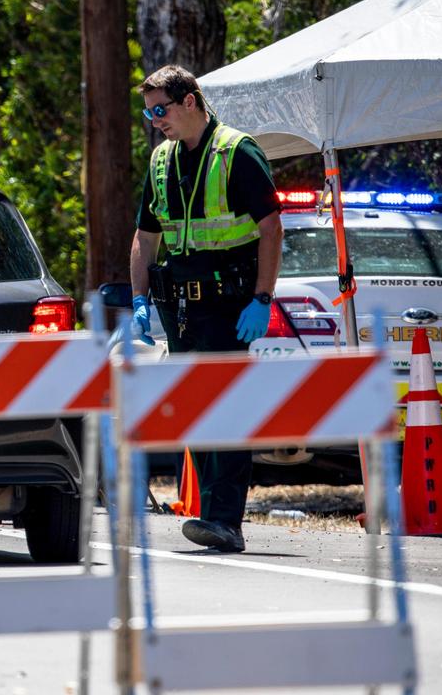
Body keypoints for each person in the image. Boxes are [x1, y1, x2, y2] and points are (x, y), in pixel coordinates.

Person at [128, 65, 283, 552]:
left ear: (190, 100)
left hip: (229, 305)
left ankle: (224, 520)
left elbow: (271, 228)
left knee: (228, 410)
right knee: (195, 411)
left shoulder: (236, 153)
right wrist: (137, 299)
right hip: (181, 311)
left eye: (161, 109)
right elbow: (145, 237)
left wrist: (262, 298)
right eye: (149, 112)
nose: (156, 121)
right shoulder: (161, 161)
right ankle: (213, 513)